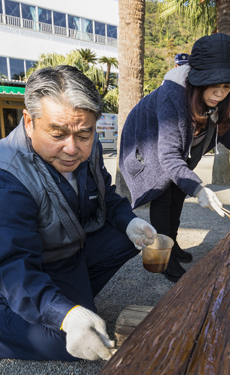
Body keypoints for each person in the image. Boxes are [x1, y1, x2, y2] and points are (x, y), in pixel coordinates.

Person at [0, 65, 157, 361]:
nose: (72, 149)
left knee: (127, 238)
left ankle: (64, 299)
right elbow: (14, 265)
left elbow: (107, 196)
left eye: (84, 134)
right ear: (29, 122)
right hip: (14, 271)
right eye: (56, 134)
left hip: (64, 254)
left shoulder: (89, 145)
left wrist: (130, 221)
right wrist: (68, 315)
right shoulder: (8, 178)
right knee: (71, 343)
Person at [119, 33, 230, 283]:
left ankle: (172, 245)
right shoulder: (172, 96)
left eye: (226, 87)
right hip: (147, 151)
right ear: (198, 80)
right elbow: (167, 155)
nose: (219, 94)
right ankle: (163, 257)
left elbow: (222, 129)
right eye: (214, 86)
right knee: (163, 197)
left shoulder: (216, 99)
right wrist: (199, 189)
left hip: (174, 156)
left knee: (177, 194)